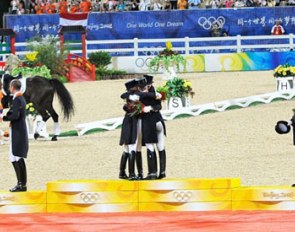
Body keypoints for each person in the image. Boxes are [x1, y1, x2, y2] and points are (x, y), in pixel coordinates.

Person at [1, 79, 28, 192]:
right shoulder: (20, 98)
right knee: (17, 157)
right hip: (19, 130)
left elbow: (15, 115)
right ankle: (22, 184)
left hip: (17, 131)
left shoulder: (17, 99)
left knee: (15, 157)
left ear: (12, 88)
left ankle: (20, 184)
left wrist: (5, 117)